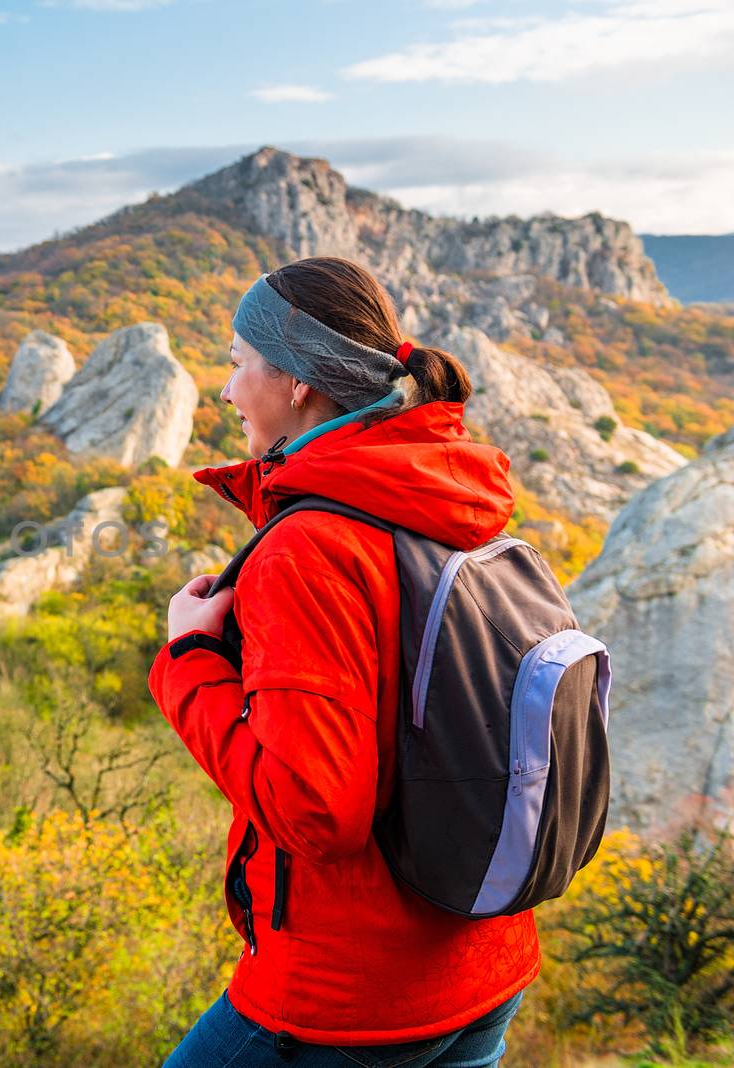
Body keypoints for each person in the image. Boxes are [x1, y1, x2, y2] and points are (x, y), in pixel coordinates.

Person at [149, 257, 538, 1067]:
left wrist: (188, 658)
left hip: (348, 997)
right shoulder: (444, 493)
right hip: (485, 964)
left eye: (235, 364)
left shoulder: (312, 548)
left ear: (296, 382)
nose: (224, 391)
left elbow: (316, 812)